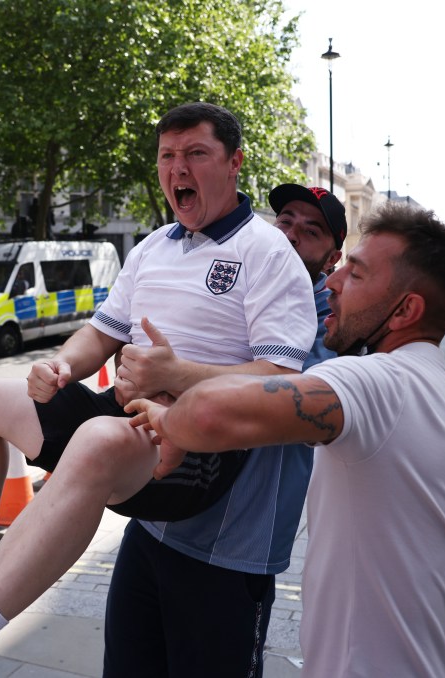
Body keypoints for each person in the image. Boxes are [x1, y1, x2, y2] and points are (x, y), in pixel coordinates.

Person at [0, 102, 317, 678]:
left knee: (94, 441)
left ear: (234, 163)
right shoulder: (153, 246)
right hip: (123, 423)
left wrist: (176, 376)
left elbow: (283, 380)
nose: (177, 168)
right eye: (167, 155)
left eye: (196, 154)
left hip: (195, 445)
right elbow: (100, 333)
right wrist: (61, 367)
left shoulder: (266, 252)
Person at [126, 202, 445, 678]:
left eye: (356, 275)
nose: (334, 282)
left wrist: (170, 416)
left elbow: (209, 412)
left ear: (406, 310)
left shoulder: (376, 381)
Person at [103, 183, 346, 678]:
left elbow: (287, 396)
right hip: (153, 523)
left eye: (312, 230)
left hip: (234, 548)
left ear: (333, 256)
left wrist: (173, 374)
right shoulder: (236, 280)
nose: (293, 234)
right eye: (286, 221)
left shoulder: (332, 326)